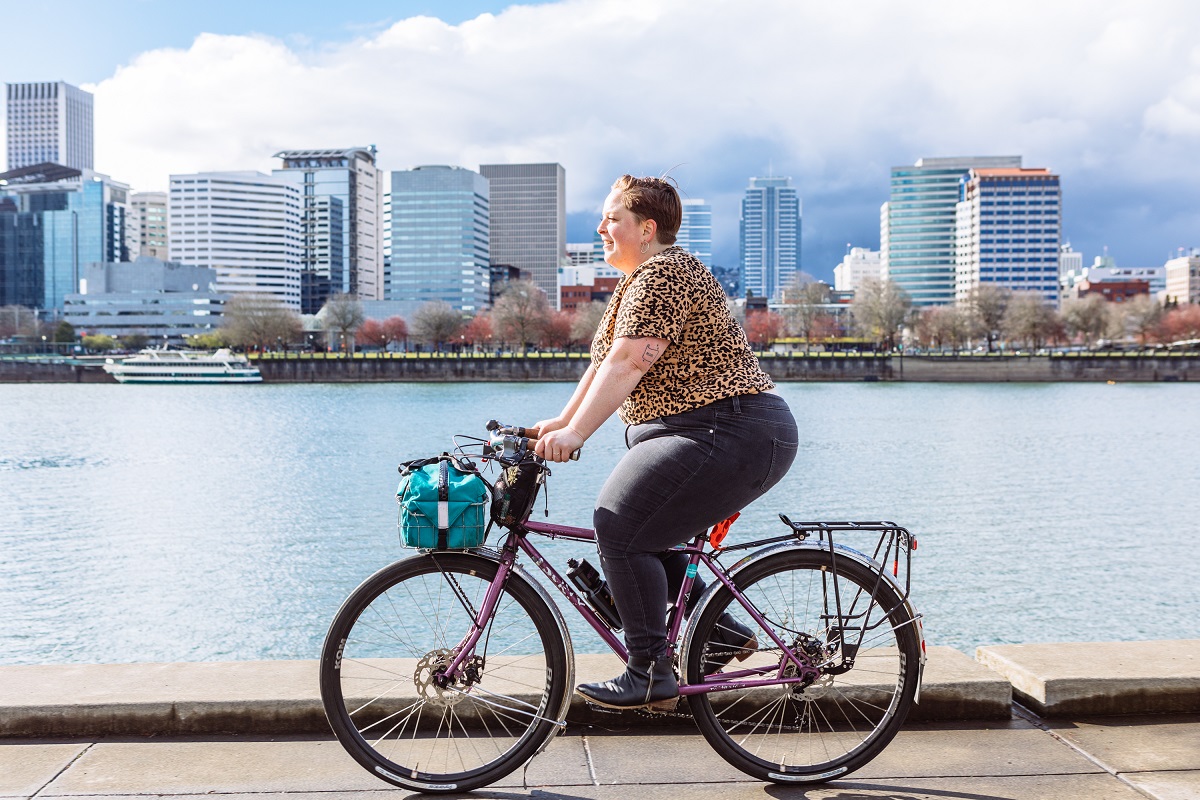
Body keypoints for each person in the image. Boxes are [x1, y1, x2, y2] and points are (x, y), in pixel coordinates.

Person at [533, 174, 798, 710]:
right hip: (712, 431)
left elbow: (631, 362)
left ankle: (650, 671)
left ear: (647, 229)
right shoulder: (637, 284)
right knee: (646, 536)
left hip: (727, 429)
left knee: (618, 527)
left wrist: (577, 435)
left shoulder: (666, 274)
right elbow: (605, 365)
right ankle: (719, 634)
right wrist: (555, 424)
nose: (601, 227)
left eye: (613, 218)